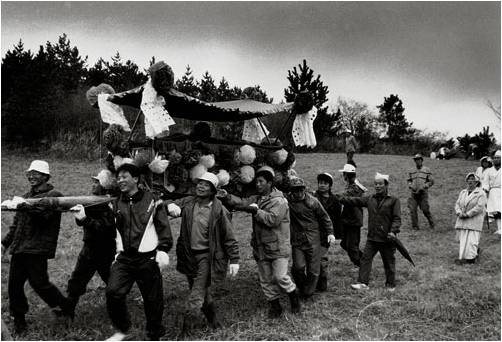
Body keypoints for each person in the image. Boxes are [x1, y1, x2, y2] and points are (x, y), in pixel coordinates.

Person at [218, 166, 301, 317]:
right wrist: (226, 197)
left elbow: (272, 220)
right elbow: (242, 203)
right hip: (261, 246)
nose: (258, 184)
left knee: (280, 276)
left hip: (278, 247)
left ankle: (293, 297)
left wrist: (256, 211)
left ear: (270, 183)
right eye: (256, 182)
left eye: (261, 182)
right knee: (266, 279)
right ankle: (275, 306)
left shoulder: (280, 201)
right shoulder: (256, 198)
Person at [1, 160, 72, 334]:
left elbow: (44, 217)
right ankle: (19, 320)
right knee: (14, 286)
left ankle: (64, 307)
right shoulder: (25, 196)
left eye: (36, 173)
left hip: (37, 248)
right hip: (20, 248)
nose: (31, 176)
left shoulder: (54, 195)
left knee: (40, 284)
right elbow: (16, 225)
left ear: (45, 176)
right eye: (29, 173)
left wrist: (25, 206)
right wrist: (4, 243)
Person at [105, 163, 173, 341]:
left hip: (147, 259)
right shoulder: (115, 202)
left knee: (153, 300)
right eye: (118, 178)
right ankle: (122, 329)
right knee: (113, 292)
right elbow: (108, 228)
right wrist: (82, 219)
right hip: (125, 259)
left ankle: (155, 333)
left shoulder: (152, 200)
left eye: (124, 177)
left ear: (135, 179)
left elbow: (163, 226)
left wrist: (163, 249)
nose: (120, 180)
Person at [165, 172, 239, 332]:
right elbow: (167, 202)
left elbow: (229, 236)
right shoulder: (189, 202)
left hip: (208, 257)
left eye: (205, 184)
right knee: (201, 291)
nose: (200, 186)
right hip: (189, 255)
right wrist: (170, 205)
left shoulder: (219, 210)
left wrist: (234, 259)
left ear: (213, 190)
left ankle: (186, 330)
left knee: (196, 294)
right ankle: (215, 322)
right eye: (199, 183)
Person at [65, 170, 117, 318]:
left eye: (97, 182)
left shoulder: (110, 204)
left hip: (105, 249)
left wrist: (84, 219)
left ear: (105, 187)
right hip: (89, 247)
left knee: (112, 282)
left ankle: (118, 312)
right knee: (77, 279)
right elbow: (80, 221)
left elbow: (105, 227)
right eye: (93, 182)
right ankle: (68, 311)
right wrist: (80, 215)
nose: (93, 185)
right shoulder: (91, 200)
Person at [337, 173, 401, 291]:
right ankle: (363, 283)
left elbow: (397, 218)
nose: (377, 186)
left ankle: (390, 285)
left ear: (386, 185)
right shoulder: (370, 199)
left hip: (387, 238)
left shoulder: (393, 200)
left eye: (380, 184)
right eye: (376, 184)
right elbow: (355, 201)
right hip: (372, 238)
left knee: (388, 261)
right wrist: (339, 198)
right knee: (366, 259)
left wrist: (393, 231)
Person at [287, 177, 334, 298]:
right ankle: (302, 286)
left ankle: (308, 291)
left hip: (313, 239)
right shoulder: (287, 201)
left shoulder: (313, 202)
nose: (298, 193)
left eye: (300, 190)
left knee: (313, 268)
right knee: (298, 267)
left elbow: (325, 217)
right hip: (297, 239)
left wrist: (330, 232)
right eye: (295, 190)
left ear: (304, 189)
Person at [313, 172, 342, 291]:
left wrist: (335, 234)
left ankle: (322, 282)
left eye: (325, 183)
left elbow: (337, 218)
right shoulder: (313, 197)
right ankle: (314, 281)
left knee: (321, 258)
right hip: (313, 232)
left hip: (326, 234)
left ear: (330, 186)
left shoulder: (334, 200)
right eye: (320, 183)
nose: (322, 185)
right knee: (313, 258)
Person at [454, 173, 486, 264]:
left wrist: (468, 214)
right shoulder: (463, 192)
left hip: (474, 220)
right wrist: (459, 212)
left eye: (472, 179)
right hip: (463, 220)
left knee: (472, 240)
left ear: (477, 182)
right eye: (469, 179)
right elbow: (457, 204)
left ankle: (471, 259)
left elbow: (479, 207)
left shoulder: (481, 193)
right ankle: (463, 257)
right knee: (463, 239)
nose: (470, 181)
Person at [338, 164, 365, 267]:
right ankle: (364, 259)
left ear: (347, 175)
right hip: (347, 219)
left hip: (354, 221)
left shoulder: (355, 187)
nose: (343, 176)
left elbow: (344, 197)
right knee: (344, 244)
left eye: (344, 174)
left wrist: (334, 197)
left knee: (352, 247)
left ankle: (361, 265)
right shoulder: (350, 184)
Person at [407, 154, 435, 230]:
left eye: (419, 159)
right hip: (413, 194)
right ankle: (415, 227)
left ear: (422, 160)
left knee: (425, 210)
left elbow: (431, 181)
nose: (417, 161)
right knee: (412, 210)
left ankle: (431, 222)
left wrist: (425, 186)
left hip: (423, 194)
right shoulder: (411, 170)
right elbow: (409, 180)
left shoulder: (427, 170)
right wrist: (410, 185)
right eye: (416, 160)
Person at [483, 150, 501, 235]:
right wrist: (485, 189)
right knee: (496, 211)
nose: (496, 159)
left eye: (498, 158)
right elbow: (485, 182)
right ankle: (499, 228)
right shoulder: (489, 171)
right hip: (493, 192)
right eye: (495, 158)